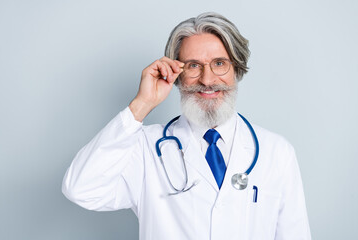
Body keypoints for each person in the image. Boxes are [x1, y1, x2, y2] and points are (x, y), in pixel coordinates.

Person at [62, 12, 311, 240]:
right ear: (176, 73)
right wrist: (141, 105)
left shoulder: (277, 152)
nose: (207, 79)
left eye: (219, 63)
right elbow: (81, 189)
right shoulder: (146, 148)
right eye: (193, 66)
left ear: (237, 68)